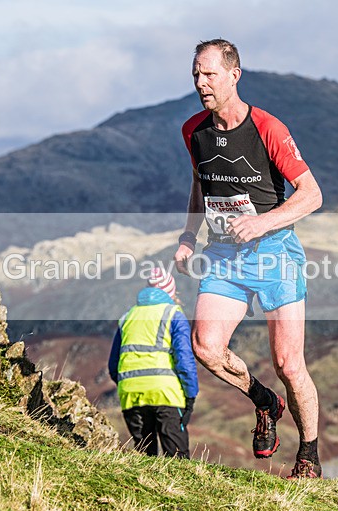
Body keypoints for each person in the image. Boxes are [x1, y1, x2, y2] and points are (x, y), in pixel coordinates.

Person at [173, 39, 324, 478]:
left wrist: (263, 222)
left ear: (234, 75)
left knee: (289, 364)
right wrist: (188, 235)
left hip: (274, 253)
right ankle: (264, 401)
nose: (201, 83)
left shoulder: (267, 128)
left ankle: (309, 456)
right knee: (206, 347)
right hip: (223, 254)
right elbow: (201, 184)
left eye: (210, 74)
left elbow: (312, 195)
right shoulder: (193, 130)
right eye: (196, 74)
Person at [108, 268, 199, 458]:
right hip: (166, 393)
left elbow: (113, 364)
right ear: (171, 293)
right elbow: (184, 359)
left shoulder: (127, 317)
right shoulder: (174, 314)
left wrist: (128, 383)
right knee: (177, 459)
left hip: (131, 393)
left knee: (144, 458)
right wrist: (190, 396)